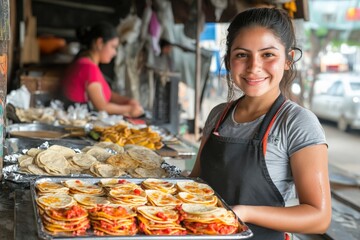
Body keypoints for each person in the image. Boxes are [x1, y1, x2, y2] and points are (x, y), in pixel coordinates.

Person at [189, 7, 331, 240]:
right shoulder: (218, 115)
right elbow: (197, 180)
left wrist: (244, 212)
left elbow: (319, 217)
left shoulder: (297, 123)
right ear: (228, 60)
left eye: (268, 54)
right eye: (242, 55)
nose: (254, 67)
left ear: (288, 60)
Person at [61, 22, 144, 117]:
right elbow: (102, 106)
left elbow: (107, 93)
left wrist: (128, 101)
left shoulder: (87, 63)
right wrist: (130, 109)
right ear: (99, 43)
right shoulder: (88, 68)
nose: (115, 53)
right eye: (113, 47)